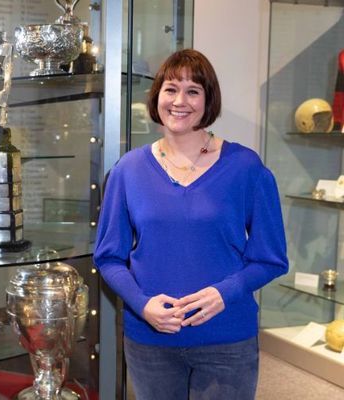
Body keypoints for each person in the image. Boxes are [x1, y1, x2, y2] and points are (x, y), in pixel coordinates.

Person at [93, 49, 288, 400]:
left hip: (226, 340)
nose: (179, 101)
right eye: (171, 89)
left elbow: (271, 258)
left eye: (193, 91)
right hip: (150, 340)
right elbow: (108, 257)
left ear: (208, 100)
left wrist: (223, 293)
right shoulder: (128, 170)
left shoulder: (246, 167)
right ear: (157, 97)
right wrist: (142, 303)